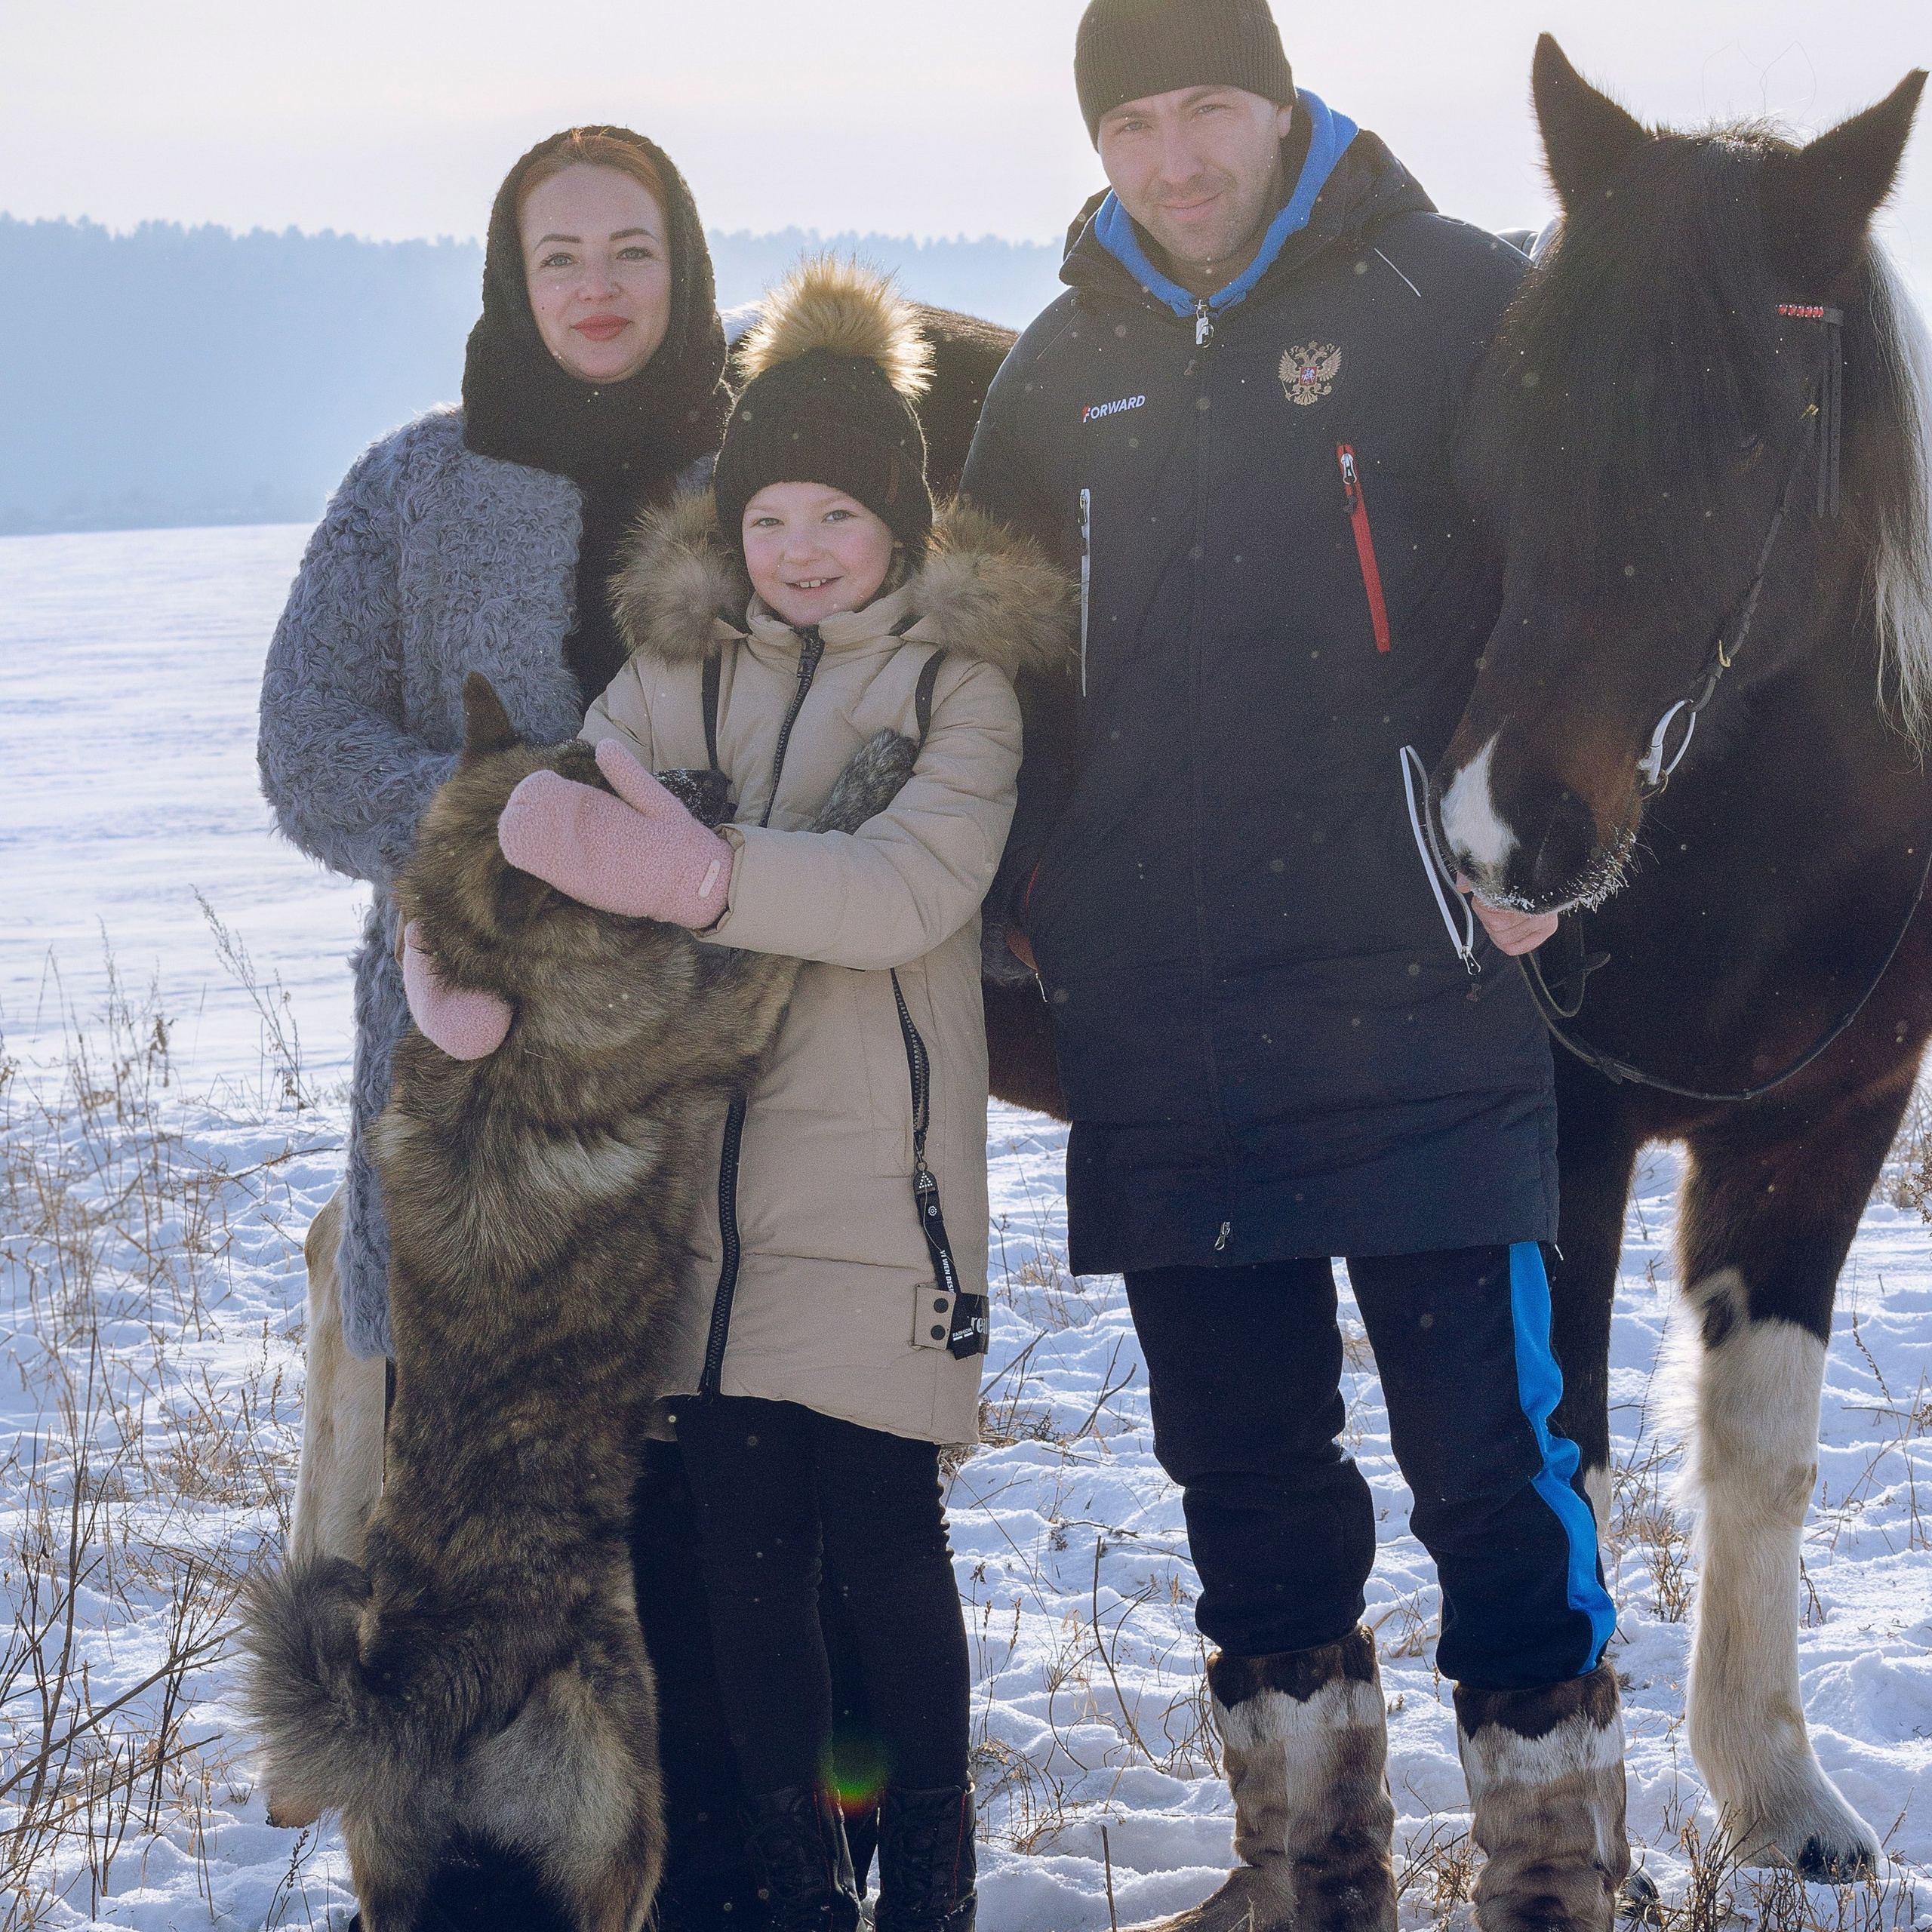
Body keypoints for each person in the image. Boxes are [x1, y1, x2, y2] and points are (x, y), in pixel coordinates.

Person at [960, 7, 1627, 1932]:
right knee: (1237, 1475)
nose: (1173, 162)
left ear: (1282, 109)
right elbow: (979, 661)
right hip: (1160, 1035)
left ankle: (1551, 1881)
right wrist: (1028, 883)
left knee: (1490, 1470)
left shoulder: (1456, 300)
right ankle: (1308, 1872)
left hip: (1414, 996)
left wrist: (1561, 849)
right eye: (1133, 125)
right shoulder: (1055, 364)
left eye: (1209, 112)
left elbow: (1599, 583)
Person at [433, 257, 1070, 1932]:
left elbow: (895, 895)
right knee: (738, 1572)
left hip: (869, 1200)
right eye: (768, 514)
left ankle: (924, 1873)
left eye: (835, 518)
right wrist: (479, 938)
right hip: (688, 1208)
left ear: (901, 525)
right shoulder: (674, 679)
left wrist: (696, 872)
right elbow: (555, 824)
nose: (797, 549)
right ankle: (795, 1886)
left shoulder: (955, 691)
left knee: (877, 1546)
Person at [257, 126, 755, 1931]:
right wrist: (498, 822)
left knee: (698, 1567)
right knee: (459, 1585)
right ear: (507, 279)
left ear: (683, 265)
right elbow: (304, 747)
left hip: (699, 1104)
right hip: (460, 1123)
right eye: (559, 257)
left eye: (632, 248)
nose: (599, 286)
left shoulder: (757, 480)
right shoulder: (408, 486)